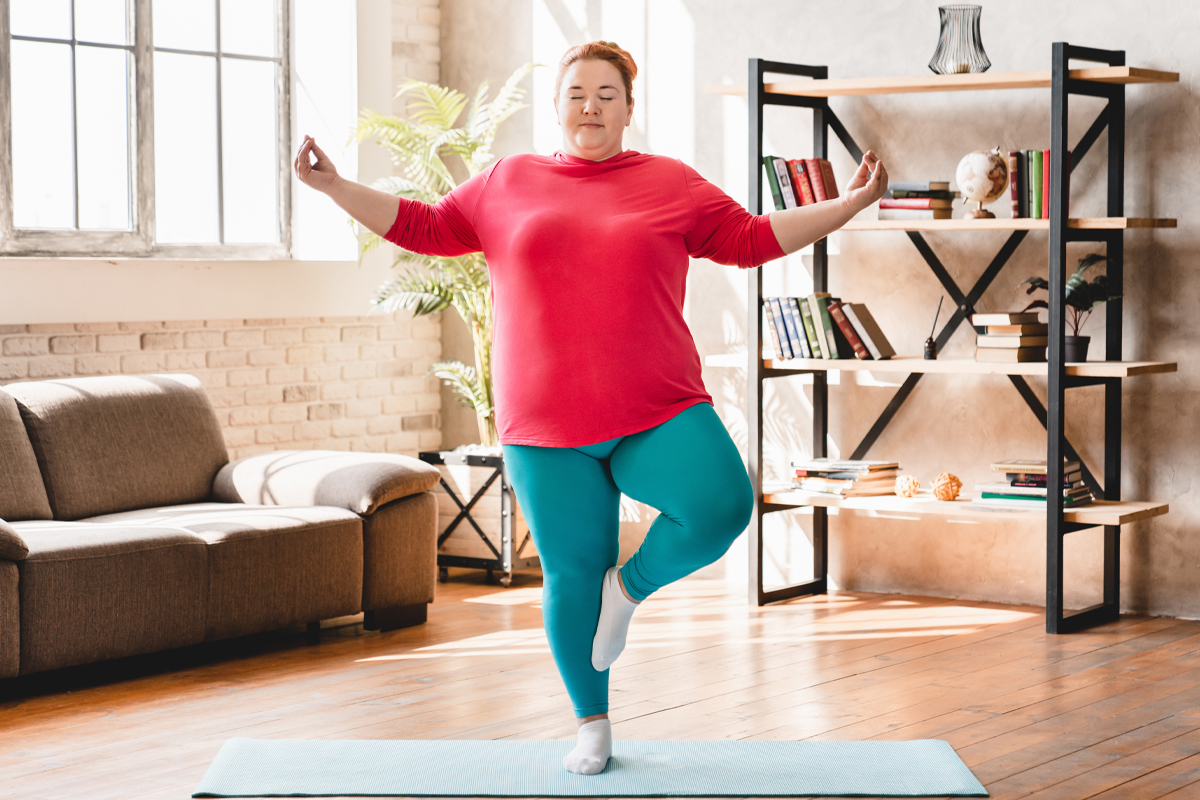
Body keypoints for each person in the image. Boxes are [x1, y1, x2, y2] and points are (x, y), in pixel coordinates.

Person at [295, 41, 887, 775]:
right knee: (572, 572)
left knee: (723, 506)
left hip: (657, 405)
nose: (591, 107)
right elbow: (423, 227)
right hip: (544, 424)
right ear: (557, 104)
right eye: (578, 92)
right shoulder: (506, 181)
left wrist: (851, 204)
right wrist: (335, 188)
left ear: (629, 110)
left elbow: (750, 239)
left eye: (608, 95)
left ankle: (628, 589)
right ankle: (593, 725)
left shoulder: (670, 182)